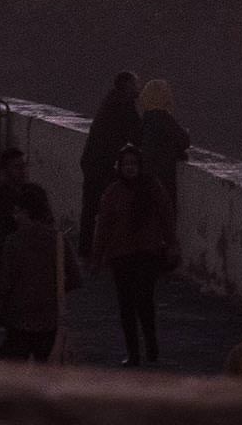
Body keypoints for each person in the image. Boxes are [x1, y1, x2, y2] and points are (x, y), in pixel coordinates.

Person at [92, 144, 176, 367]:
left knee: (144, 301)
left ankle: (150, 346)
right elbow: (104, 227)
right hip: (121, 255)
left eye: (133, 164)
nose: (130, 168)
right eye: (126, 164)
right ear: (120, 167)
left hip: (147, 253)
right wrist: (97, 257)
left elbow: (166, 217)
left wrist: (171, 244)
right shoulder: (112, 193)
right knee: (126, 305)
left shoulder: (152, 188)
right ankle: (135, 353)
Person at [0, 183, 82, 361]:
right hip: (49, 318)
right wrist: (52, 290)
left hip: (18, 317)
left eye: (17, 211)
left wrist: (1, 311)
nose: (15, 216)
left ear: (25, 212)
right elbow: (75, 278)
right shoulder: (58, 239)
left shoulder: (13, 241)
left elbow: (5, 283)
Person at [79, 71, 142, 254]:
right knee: (109, 206)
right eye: (136, 84)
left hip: (93, 159)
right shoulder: (124, 104)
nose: (139, 87)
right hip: (103, 162)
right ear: (128, 86)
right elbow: (137, 135)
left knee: (90, 207)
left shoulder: (112, 100)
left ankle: (85, 250)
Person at [137, 79, 191, 214]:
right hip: (162, 178)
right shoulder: (163, 118)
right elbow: (183, 141)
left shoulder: (146, 119)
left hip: (146, 177)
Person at [0, 147, 30, 244]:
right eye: (17, 167)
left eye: (23, 166)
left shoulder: (34, 193)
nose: (22, 171)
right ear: (5, 170)